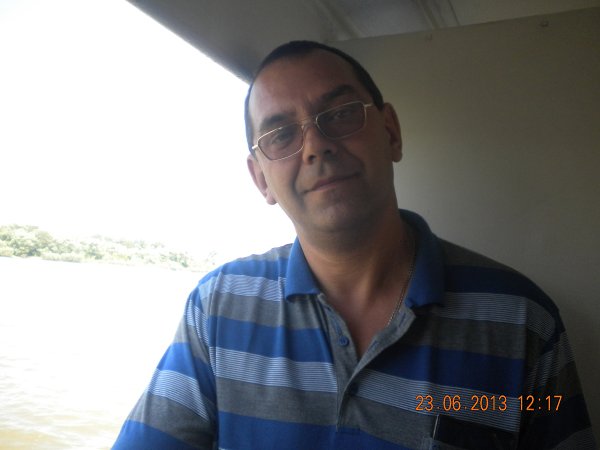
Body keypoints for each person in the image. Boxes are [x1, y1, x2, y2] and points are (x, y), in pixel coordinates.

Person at [113, 41, 595, 449]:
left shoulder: (523, 322)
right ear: (261, 179)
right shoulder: (217, 309)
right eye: (281, 134)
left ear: (391, 133)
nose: (315, 146)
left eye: (341, 114)